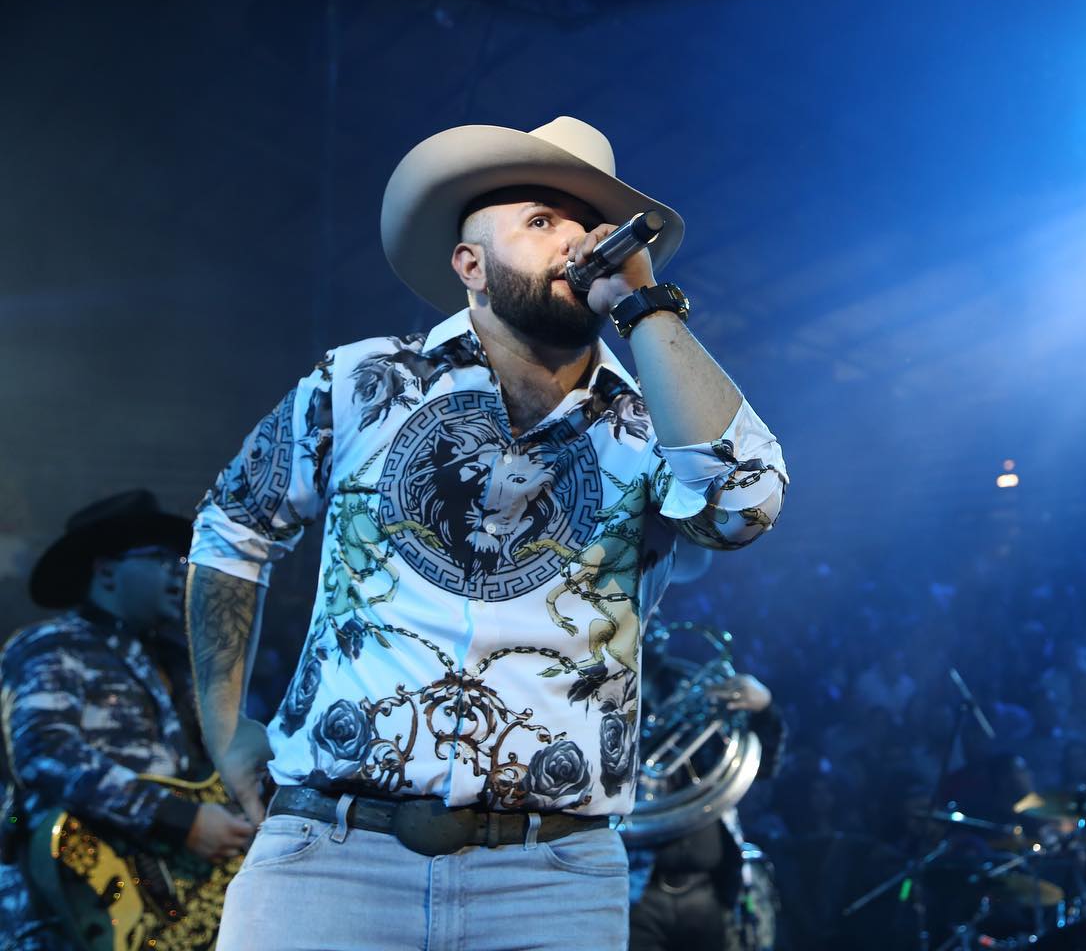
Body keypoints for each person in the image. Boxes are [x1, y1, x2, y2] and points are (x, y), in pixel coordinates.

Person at [186, 116, 787, 951]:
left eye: (591, 226)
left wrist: (645, 307)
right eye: (542, 220)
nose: (577, 242)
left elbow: (746, 504)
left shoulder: (652, 423)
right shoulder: (361, 379)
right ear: (470, 264)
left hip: (553, 880)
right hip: (332, 857)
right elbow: (234, 524)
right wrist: (223, 726)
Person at [0, 490, 254, 951]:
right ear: (106, 571)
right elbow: (43, 751)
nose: (178, 570)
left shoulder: (179, 662)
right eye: (161, 558)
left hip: (162, 901)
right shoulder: (51, 645)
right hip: (66, 905)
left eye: (182, 559)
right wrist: (176, 818)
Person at [627, 658, 784, 951]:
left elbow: (762, 766)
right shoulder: (611, 696)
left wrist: (764, 709)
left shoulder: (697, 697)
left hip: (707, 890)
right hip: (638, 891)